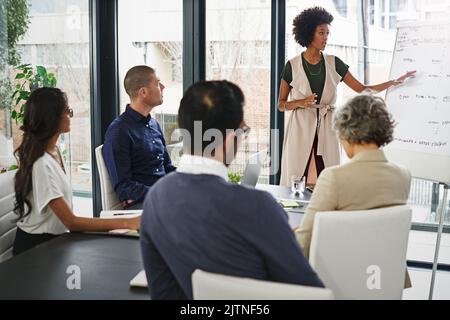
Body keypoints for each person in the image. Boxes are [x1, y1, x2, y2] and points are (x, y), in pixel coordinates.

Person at [140, 80, 324, 300]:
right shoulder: (258, 206)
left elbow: (162, 291)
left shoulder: (156, 198)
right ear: (228, 140)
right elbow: (311, 292)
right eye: (243, 130)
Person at [278, 6, 416, 187]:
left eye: (327, 33)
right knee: (295, 173)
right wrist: (300, 102)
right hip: (300, 126)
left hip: (327, 124)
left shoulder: (334, 63)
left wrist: (393, 82)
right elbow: (280, 104)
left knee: (328, 174)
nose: (326, 37)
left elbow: (363, 89)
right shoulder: (292, 66)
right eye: (321, 33)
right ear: (308, 34)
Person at [13, 87, 140, 256]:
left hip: (54, 241)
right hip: (35, 251)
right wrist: (128, 223)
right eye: (67, 111)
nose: (70, 116)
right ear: (53, 118)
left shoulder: (55, 151)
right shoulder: (42, 164)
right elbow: (71, 222)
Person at [294, 94, 411, 260]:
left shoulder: (333, 178)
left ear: (348, 133)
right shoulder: (403, 176)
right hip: (385, 275)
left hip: (336, 273)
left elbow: (304, 241)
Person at [103, 66, 176, 210]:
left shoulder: (154, 124)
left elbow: (167, 167)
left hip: (162, 199)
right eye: (157, 83)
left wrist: (190, 178)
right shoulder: (119, 131)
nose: (163, 86)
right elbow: (124, 187)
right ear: (143, 92)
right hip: (142, 205)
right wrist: (162, 194)